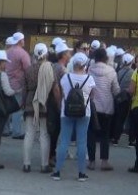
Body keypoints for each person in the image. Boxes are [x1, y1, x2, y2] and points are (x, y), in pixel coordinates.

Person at [51, 52, 96, 182]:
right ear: (85, 65)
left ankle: (57, 172)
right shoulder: (90, 79)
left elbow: (61, 92)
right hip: (84, 112)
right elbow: (93, 96)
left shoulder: (66, 77)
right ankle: (81, 173)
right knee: (82, 141)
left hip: (66, 111)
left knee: (64, 140)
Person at [22, 43, 58, 173]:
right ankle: (44, 165)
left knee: (29, 134)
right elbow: (55, 88)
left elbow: (24, 89)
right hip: (44, 103)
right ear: (46, 54)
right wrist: (58, 104)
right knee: (44, 134)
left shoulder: (28, 69)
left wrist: (23, 104)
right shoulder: (50, 68)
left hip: (30, 102)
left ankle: (26, 164)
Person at [87, 48, 120, 170]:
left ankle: (91, 161)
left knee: (91, 133)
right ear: (105, 57)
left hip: (92, 105)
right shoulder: (111, 71)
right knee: (105, 135)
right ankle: (104, 161)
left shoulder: (90, 69)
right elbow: (116, 90)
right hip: (107, 106)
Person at [48, 43, 73, 165]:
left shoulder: (54, 66)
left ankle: (50, 154)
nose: (70, 54)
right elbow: (57, 88)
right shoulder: (61, 69)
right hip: (56, 102)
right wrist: (60, 105)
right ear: (63, 55)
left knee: (53, 130)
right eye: (68, 52)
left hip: (51, 102)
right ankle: (51, 156)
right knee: (55, 130)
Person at [5, 32, 31, 139]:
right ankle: (17, 131)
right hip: (18, 84)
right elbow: (28, 69)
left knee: (6, 108)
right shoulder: (22, 53)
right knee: (17, 109)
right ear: (21, 41)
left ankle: (5, 129)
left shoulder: (7, 52)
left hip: (6, 83)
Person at [112, 53, 135, 146]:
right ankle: (131, 140)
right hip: (128, 97)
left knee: (119, 118)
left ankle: (115, 138)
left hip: (118, 97)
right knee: (129, 118)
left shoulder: (119, 71)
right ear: (131, 62)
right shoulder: (133, 72)